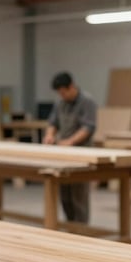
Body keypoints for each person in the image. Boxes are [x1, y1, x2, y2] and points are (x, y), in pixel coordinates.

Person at [43, 72, 98, 223]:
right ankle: (70, 229)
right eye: (59, 93)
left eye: (63, 92)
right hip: (63, 155)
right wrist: (49, 135)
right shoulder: (60, 103)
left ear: (71, 86)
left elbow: (88, 128)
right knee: (65, 196)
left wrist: (70, 141)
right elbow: (53, 123)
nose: (62, 96)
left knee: (79, 197)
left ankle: (82, 232)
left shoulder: (87, 102)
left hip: (82, 155)